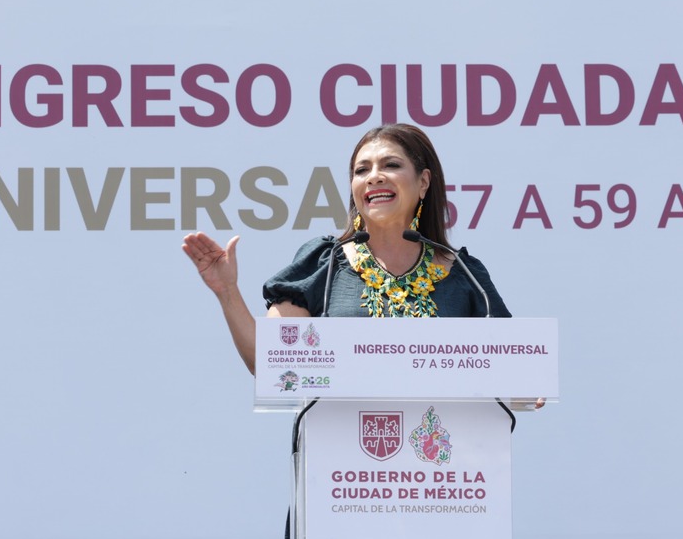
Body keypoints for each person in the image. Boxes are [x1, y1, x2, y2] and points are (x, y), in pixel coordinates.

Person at [183, 123, 510, 374]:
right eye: (361, 170)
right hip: (338, 443)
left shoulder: (464, 273)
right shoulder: (323, 265)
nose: (374, 177)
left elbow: (510, 368)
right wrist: (227, 291)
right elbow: (270, 363)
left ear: (423, 182)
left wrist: (523, 385)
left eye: (391, 165)